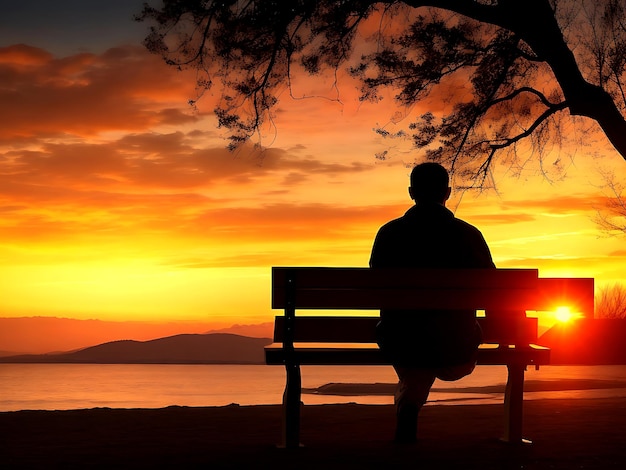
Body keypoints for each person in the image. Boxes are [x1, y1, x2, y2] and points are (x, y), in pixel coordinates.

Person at [369, 162, 495, 444]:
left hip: (401, 342)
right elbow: (495, 291)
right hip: (455, 347)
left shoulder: (389, 234)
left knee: (416, 355)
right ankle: (409, 399)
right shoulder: (468, 235)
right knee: (435, 344)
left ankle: (409, 399)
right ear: (447, 192)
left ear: (411, 192)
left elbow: (376, 289)